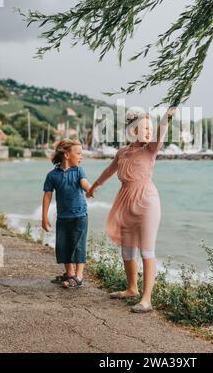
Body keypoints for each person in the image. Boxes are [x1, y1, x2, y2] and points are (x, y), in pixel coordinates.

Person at [87, 107, 177, 312]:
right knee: (127, 250)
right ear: (133, 130)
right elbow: (109, 171)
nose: (148, 132)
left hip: (147, 201)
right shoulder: (123, 153)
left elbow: (161, 132)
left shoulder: (150, 150)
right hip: (126, 201)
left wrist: (167, 116)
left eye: (150, 129)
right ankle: (131, 289)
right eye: (144, 128)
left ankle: (146, 300)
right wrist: (94, 186)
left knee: (146, 250)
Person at [42, 139, 91, 288]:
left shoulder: (79, 170)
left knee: (78, 245)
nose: (81, 156)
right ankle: (70, 274)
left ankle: (79, 276)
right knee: (63, 246)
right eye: (78, 153)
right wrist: (44, 216)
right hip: (63, 217)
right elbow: (47, 195)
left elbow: (84, 184)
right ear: (66, 155)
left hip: (79, 215)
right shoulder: (52, 175)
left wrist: (91, 188)